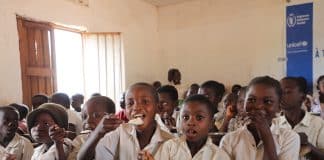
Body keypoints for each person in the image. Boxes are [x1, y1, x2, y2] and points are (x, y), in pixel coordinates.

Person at [220, 76, 300, 160]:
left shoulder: (289, 138)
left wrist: (266, 135)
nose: (258, 106)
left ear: (279, 107)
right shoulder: (229, 140)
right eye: (251, 100)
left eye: (268, 101)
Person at [95, 82, 173, 159]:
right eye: (130, 103)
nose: (136, 107)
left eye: (145, 102)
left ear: (157, 107)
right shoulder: (119, 133)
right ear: (125, 110)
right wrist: (97, 133)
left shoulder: (171, 143)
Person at [142, 94, 230, 160]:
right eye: (185, 117)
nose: (190, 122)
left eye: (199, 117)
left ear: (211, 123)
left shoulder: (219, 156)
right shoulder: (170, 147)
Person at [274, 77, 324, 159]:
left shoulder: (319, 124)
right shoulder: (273, 124)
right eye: (279, 92)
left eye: (287, 92)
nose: (281, 96)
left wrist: (309, 146)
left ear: (303, 97)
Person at [69, 96, 117, 160]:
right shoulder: (81, 138)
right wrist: (97, 134)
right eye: (84, 116)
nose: (88, 121)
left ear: (111, 117)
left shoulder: (118, 136)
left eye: (96, 115)